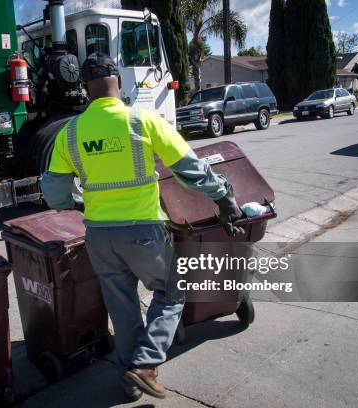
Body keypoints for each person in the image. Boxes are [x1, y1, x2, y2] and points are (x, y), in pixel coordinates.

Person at [40, 52, 243, 401]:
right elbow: (190, 170)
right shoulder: (142, 121)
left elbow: (55, 194)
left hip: (99, 237)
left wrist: (79, 203)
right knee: (172, 293)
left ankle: (129, 382)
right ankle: (146, 364)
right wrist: (224, 196)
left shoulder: (69, 133)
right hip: (144, 233)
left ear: (86, 89)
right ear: (117, 81)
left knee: (122, 309)